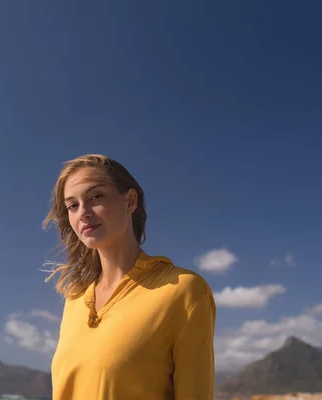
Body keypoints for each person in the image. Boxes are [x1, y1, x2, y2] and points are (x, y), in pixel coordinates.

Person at [43, 154, 216, 400]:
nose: (83, 212)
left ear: (130, 201)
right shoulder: (75, 300)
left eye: (95, 197)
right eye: (72, 205)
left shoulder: (183, 290)